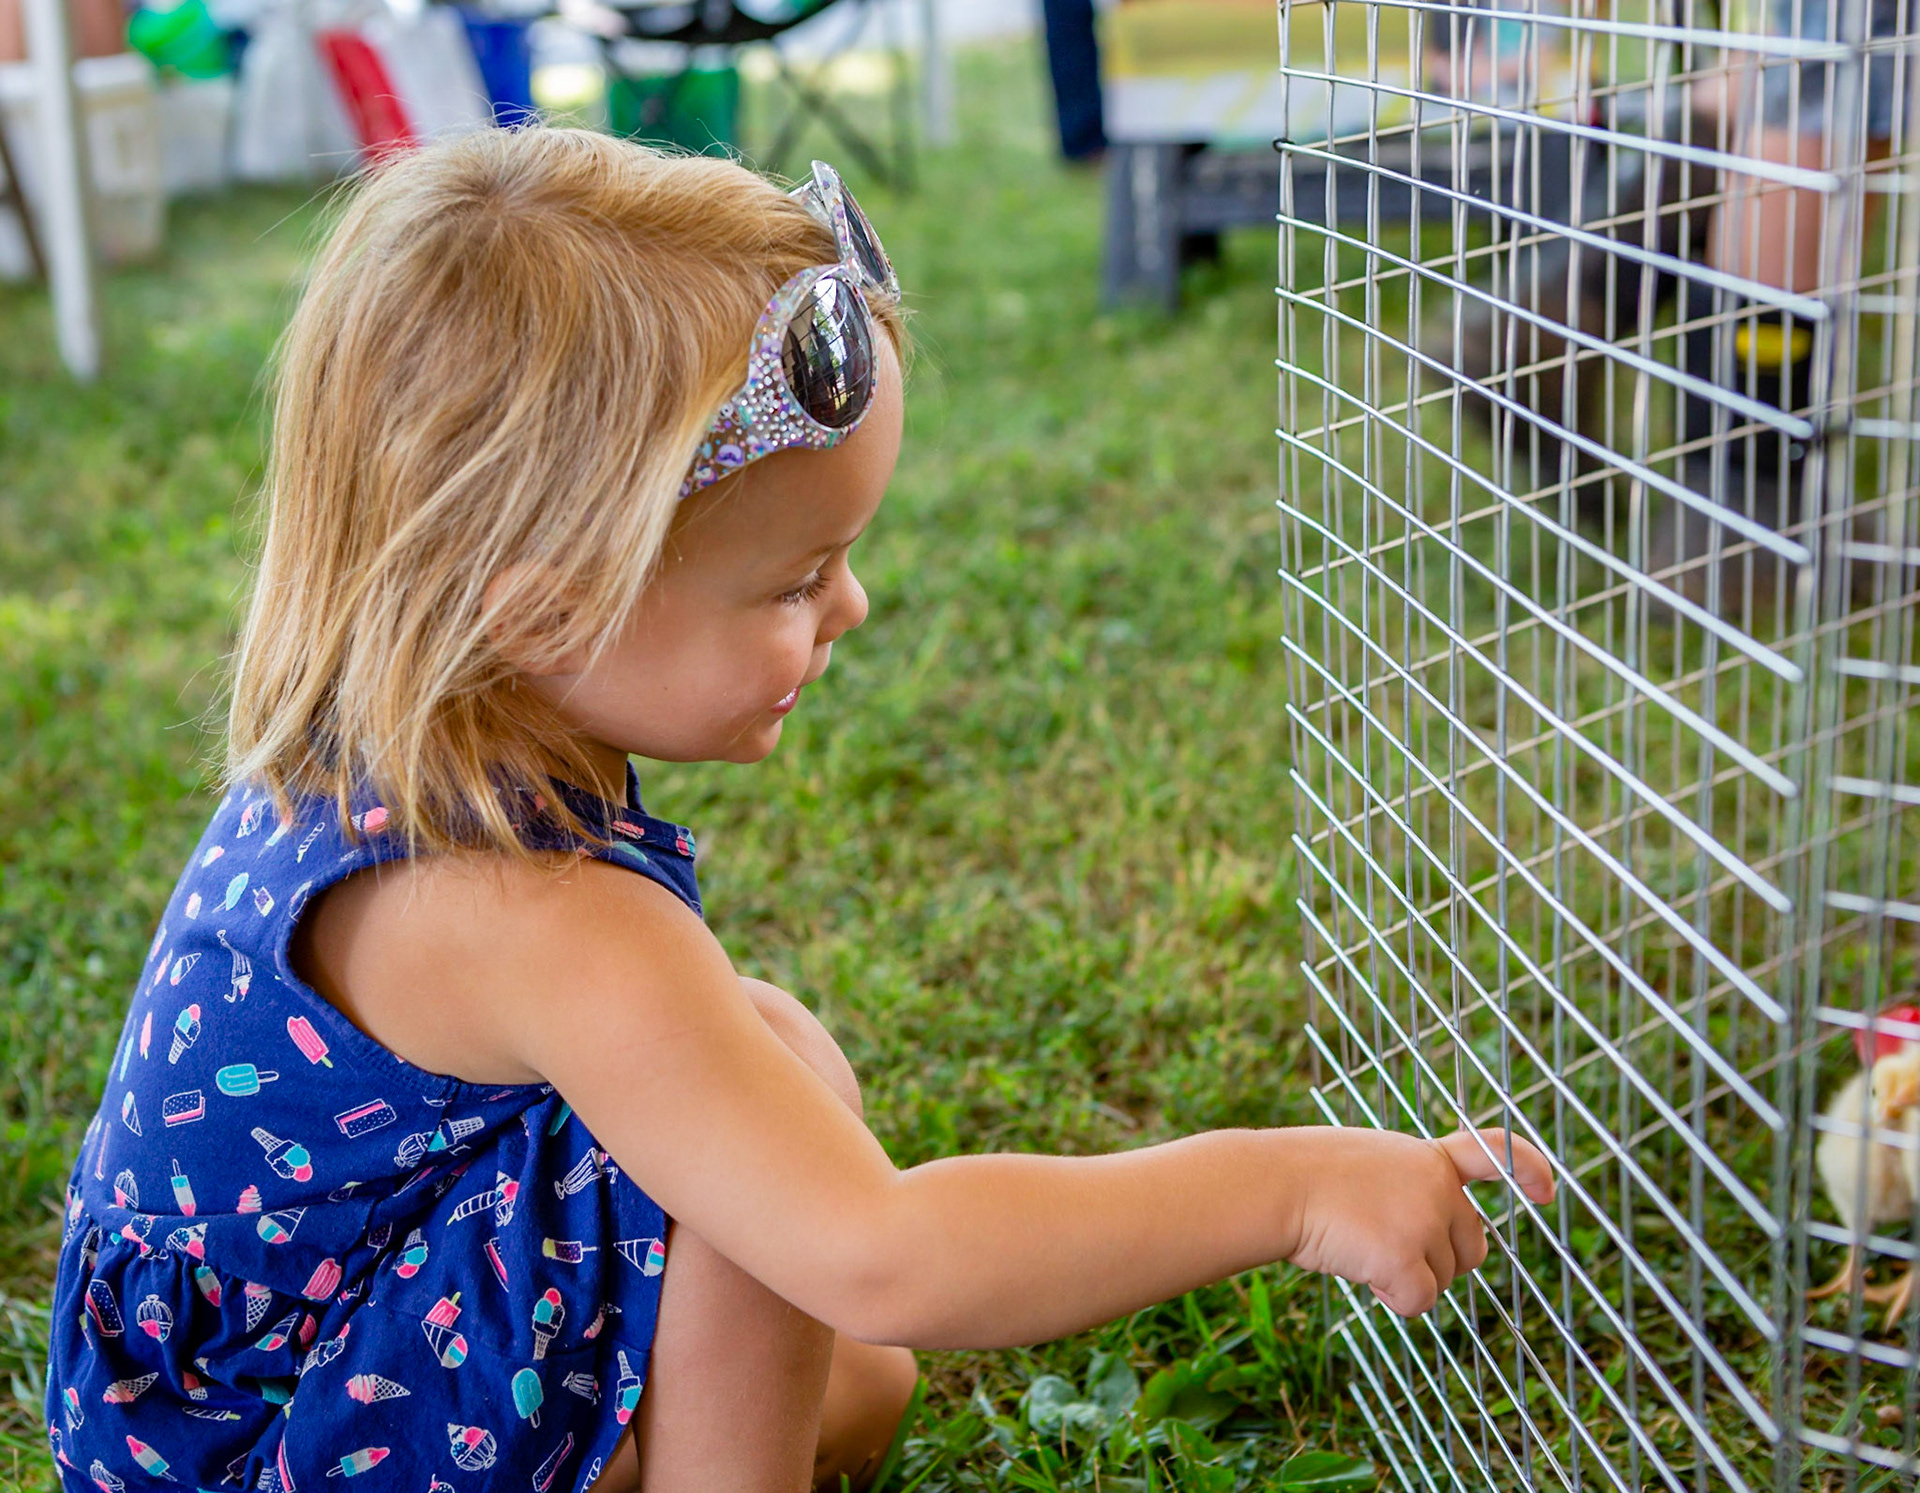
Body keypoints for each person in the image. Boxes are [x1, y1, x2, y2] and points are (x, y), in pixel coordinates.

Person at [42, 127, 1555, 1493]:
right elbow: (889, 1257)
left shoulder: (390, 745)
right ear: (544, 609)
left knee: (777, 1098)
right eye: (792, 580)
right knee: (759, 1220)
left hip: (224, 1400)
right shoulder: (534, 916)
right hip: (258, 1454)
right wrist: (1290, 1186)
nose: (856, 604)